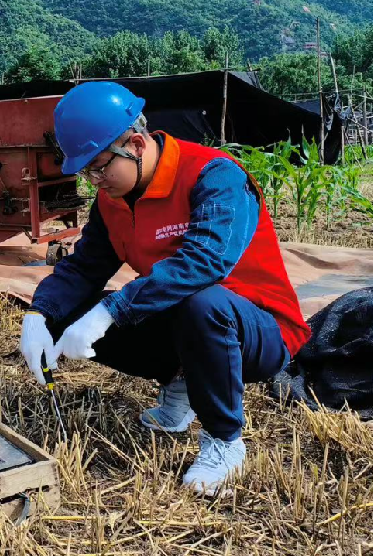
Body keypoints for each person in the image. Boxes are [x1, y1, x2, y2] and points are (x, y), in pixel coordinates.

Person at [20, 82, 311, 495]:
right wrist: (40, 314)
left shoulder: (213, 176)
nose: (95, 181)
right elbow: (85, 267)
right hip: (184, 321)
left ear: (136, 145)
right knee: (71, 309)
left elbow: (204, 262)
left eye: (100, 167)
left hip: (258, 330)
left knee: (199, 301)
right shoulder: (112, 199)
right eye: (86, 172)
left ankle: (224, 441)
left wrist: (112, 311)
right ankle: (182, 383)